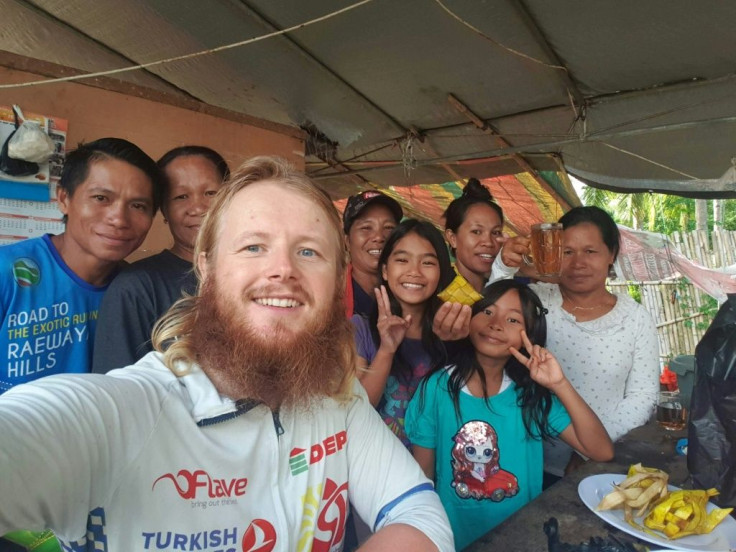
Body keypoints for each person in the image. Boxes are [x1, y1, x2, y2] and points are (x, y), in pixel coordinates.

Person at [0, 156, 454, 552]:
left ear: (337, 281)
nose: (283, 270)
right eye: (254, 246)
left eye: (309, 251)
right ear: (207, 268)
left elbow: (421, 518)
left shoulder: (338, 397)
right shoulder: (124, 412)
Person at [405, 280, 613, 550]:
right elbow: (423, 479)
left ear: (530, 335)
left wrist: (559, 384)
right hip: (453, 542)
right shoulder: (436, 387)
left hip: (522, 540)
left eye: (513, 319)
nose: (497, 323)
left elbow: (601, 451)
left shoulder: (530, 395)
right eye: (488, 312)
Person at [489, 206, 660, 481]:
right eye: (567, 252)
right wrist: (503, 265)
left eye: (590, 252)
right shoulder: (535, 301)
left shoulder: (635, 319)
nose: (578, 263)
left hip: (600, 463)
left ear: (611, 255)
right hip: (524, 460)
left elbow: (642, 397)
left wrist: (587, 449)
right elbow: (491, 314)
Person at [0, 137, 161, 394]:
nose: (118, 219)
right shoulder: (6, 270)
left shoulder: (137, 293)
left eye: (138, 205)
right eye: (101, 198)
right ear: (64, 198)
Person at [92, 146, 229, 373]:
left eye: (210, 193)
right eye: (181, 196)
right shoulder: (137, 288)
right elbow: (117, 393)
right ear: (163, 210)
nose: (197, 208)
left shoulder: (259, 274)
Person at [352, 219, 455, 446]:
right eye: (402, 260)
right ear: (386, 271)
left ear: (441, 273)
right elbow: (356, 410)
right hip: (376, 470)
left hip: (434, 470)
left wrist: (455, 344)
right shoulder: (360, 329)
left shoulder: (451, 333)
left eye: (428, 262)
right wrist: (386, 350)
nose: (414, 272)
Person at [442, 178, 507, 300]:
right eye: (476, 231)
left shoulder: (497, 288)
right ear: (452, 238)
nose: (488, 242)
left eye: (496, 232)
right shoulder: (440, 291)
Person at [343, 190, 403, 318]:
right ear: (347, 241)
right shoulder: (331, 296)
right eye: (366, 228)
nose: (379, 237)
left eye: (389, 228)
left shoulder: (411, 291)